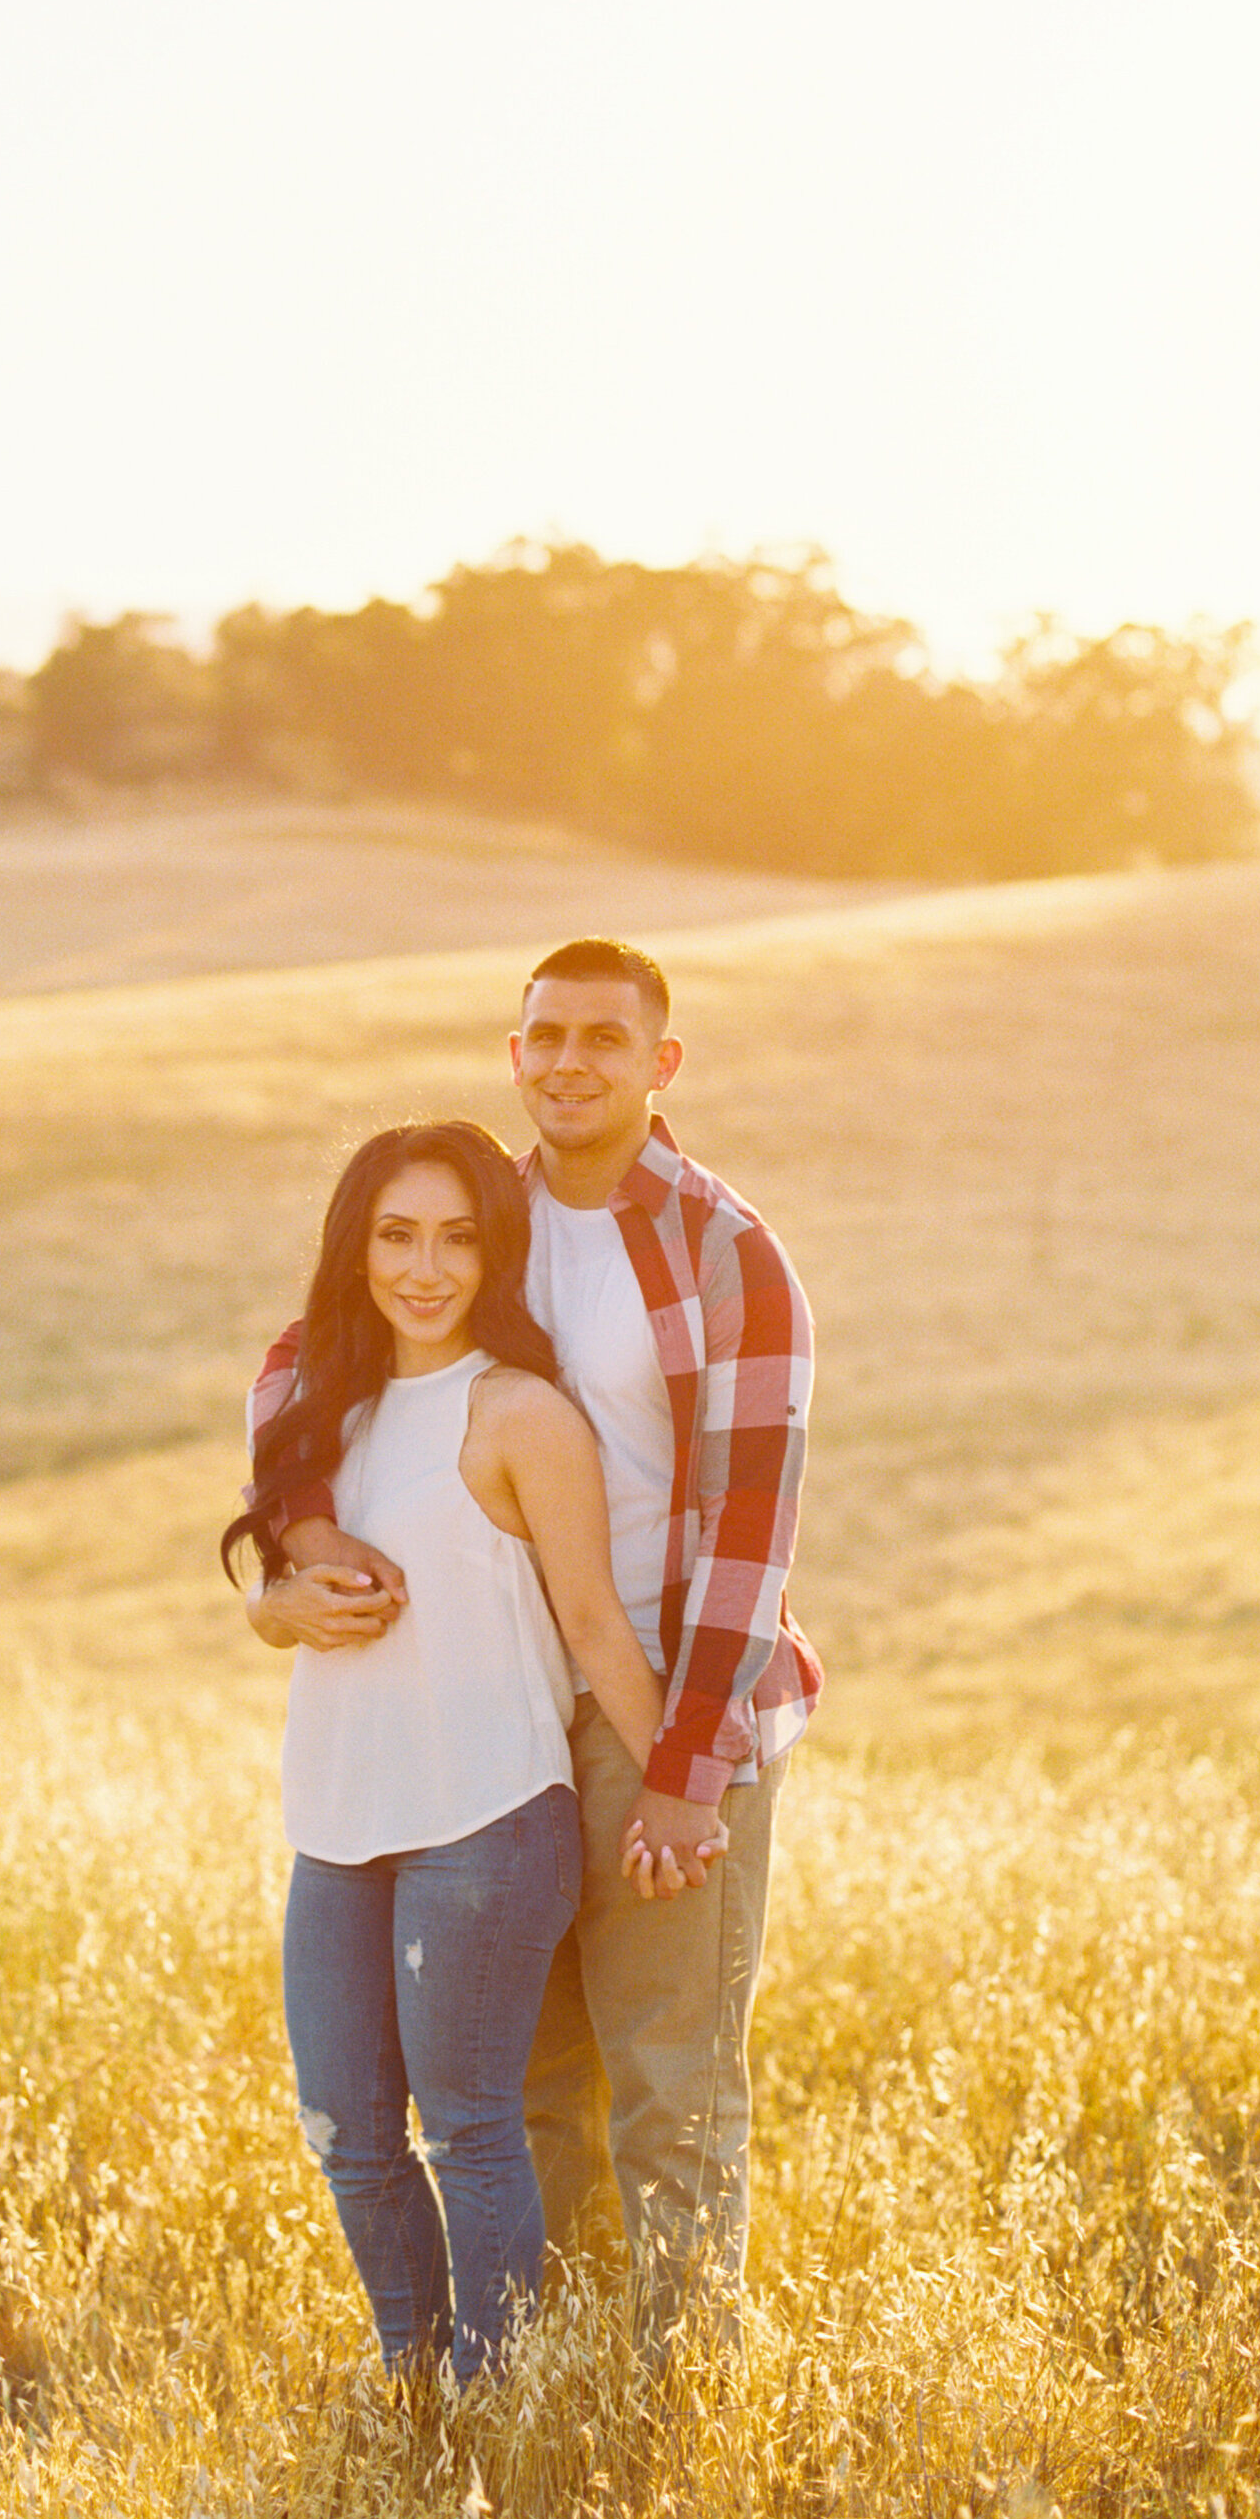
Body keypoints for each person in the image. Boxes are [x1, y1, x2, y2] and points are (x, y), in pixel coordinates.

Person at [247, 941, 819, 2349]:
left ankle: (678, 2385)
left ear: (658, 1064)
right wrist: (301, 1557)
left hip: (662, 1709)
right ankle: (558, 2368)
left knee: (668, 2073)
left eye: (603, 1038)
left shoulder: (721, 1246)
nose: (569, 1059)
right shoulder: (479, 1213)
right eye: (543, 1034)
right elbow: (306, 1360)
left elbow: (754, 1526)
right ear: (514, 1052)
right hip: (502, 1711)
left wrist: (689, 1765)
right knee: (534, 2083)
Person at [224, 1116, 689, 2383]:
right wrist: (274, 1609)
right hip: (336, 1817)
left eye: (455, 1238)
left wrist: (673, 1785)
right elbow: (277, 1603)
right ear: (354, 1248)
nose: (423, 1267)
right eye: (395, 1235)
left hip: (485, 1817)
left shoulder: (519, 1412)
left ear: (495, 1257)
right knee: (346, 2136)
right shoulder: (316, 1416)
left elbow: (594, 1622)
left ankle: (500, 2404)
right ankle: (416, 2389)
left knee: (469, 2131)